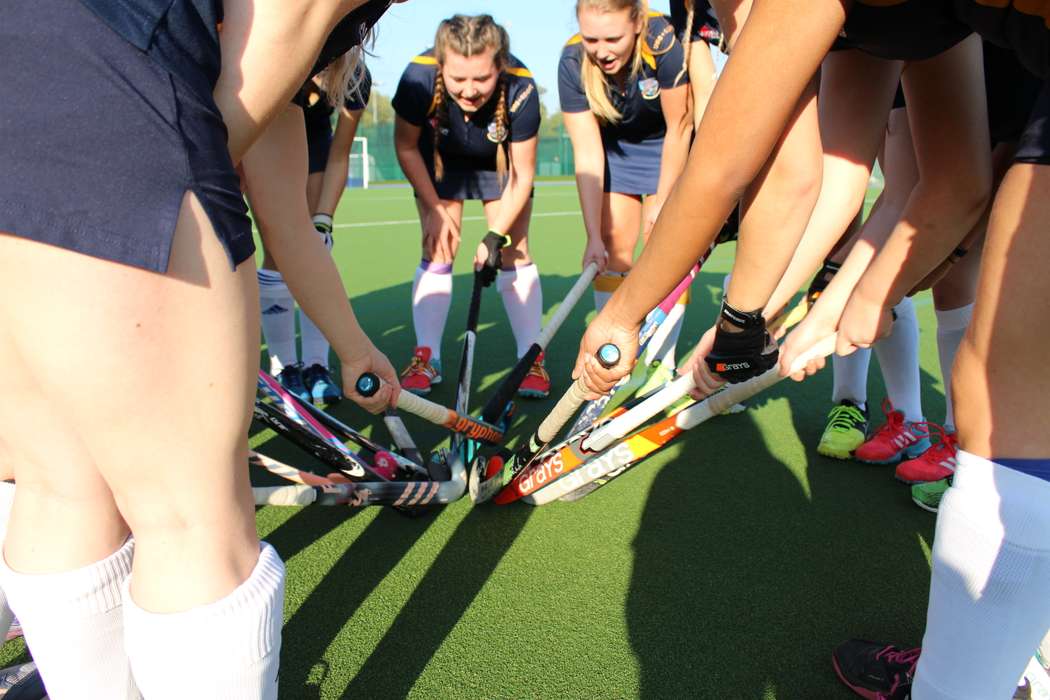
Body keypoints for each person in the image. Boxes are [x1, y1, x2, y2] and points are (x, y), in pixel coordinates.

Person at [577, 0, 1050, 696]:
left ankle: (976, 676)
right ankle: (999, 663)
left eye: (708, 13)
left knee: (1000, 395)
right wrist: (796, 313)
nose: (717, 32)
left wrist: (622, 314)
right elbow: (902, 181)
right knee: (1013, 403)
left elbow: (720, 172)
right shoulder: (877, 27)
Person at [0, 1, 399, 697]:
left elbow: (290, 227)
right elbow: (228, 110)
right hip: (107, 76)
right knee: (191, 522)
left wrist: (355, 346)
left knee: (59, 484)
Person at [392, 14, 546, 397]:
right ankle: (426, 356)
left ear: (499, 65)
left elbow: (523, 175)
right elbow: (406, 146)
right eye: (459, 79)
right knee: (438, 245)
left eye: (482, 79)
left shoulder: (521, 85)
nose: (470, 90)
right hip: (441, 162)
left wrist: (495, 236)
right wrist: (436, 208)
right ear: (442, 65)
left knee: (514, 250)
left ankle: (531, 359)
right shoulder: (419, 77)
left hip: (499, 166)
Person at [560, 0, 693, 372]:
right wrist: (592, 236)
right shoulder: (572, 61)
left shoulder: (663, 42)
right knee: (613, 251)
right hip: (618, 151)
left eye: (612, 38)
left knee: (664, 249)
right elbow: (587, 153)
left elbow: (680, 128)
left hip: (672, 145)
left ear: (636, 23)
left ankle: (659, 366)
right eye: (591, 39)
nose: (601, 51)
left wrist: (662, 200)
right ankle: (613, 360)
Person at [257, 60, 373, 405]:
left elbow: (339, 155)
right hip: (265, 135)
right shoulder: (280, 53)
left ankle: (317, 367)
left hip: (316, 143)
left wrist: (324, 219)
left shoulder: (355, 76)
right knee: (277, 252)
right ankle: (283, 367)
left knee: (315, 250)